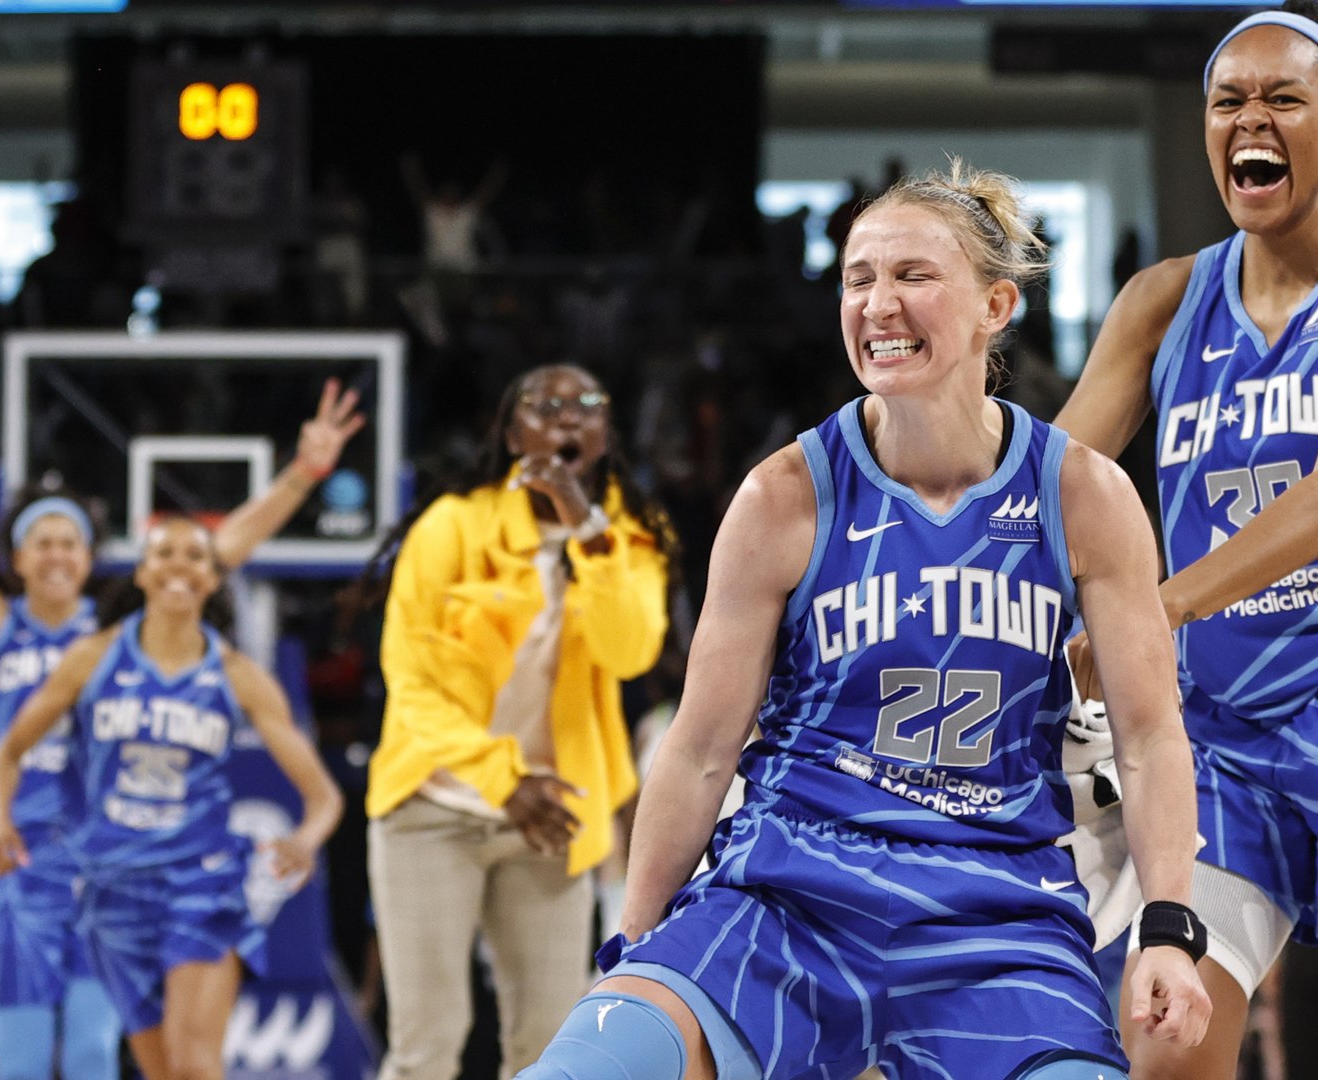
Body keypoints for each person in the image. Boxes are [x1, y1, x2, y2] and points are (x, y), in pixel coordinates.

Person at [518, 163, 1212, 1080]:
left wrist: (1167, 925)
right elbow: (698, 748)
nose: (878, 303)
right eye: (858, 278)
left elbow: (1153, 733)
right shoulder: (783, 496)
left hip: (994, 917)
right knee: (593, 1068)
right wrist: (635, 947)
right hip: (785, 899)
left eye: (913, 276)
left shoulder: (1083, 494)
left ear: (994, 306)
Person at [0, 342, 364, 1080]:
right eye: (44, 542)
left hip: (107, 867)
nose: (59, 554)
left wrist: (302, 473)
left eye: (72, 542)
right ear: (18, 558)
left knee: (97, 1053)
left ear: (93, 559)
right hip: (21, 866)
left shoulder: (115, 641)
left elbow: (220, 551)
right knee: (23, 1064)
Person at [1055, 6, 1318, 1075]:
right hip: (1225, 756)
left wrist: (1162, 600)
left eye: (1284, 98)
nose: (1249, 119)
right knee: (1165, 1046)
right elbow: (1049, 491)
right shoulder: (1164, 303)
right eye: (1228, 101)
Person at [359, 363, 675, 1080]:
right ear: (511, 432)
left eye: (587, 405)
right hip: (431, 810)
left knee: (548, 1051)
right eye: (545, 405)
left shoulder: (626, 537)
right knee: (426, 1048)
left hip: (550, 818)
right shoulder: (450, 528)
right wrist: (504, 780)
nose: (567, 417)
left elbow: (630, 652)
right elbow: (412, 686)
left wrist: (583, 524)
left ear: (605, 435)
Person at [0, 517, 344, 1080]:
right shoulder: (92, 658)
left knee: (193, 1066)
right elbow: (7, 751)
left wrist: (305, 838)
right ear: (143, 573)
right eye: (165, 553)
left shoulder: (238, 674)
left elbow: (322, 796)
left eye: (195, 557)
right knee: (162, 1072)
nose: (179, 565)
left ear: (214, 580)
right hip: (114, 888)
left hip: (200, 882)